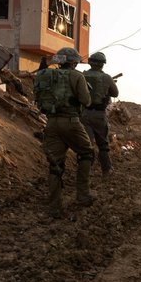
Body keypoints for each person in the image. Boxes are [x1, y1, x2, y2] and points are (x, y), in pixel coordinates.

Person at [33, 47, 94, 218]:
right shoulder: (77, 76)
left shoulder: (45, 75)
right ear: (73, 61)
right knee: (87, 153)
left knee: (55, 165)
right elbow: (86, 101)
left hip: (51, 124)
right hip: (71, 122)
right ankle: (82, 195)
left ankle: (54, 207)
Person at [81, 52, 119, 178]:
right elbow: (115, 93)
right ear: (102, 64)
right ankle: (106, 171)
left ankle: (85, 172)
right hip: (99, 115)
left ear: (90, 62)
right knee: (103, 145)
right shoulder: (106, 78)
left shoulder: (82, 75)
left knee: (87, 145)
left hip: (84, 114)